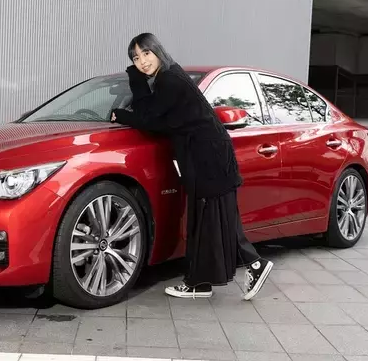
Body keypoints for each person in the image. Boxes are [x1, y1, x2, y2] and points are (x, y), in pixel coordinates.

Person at [110, 33, 273, 300]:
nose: (142, 62)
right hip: (207, 153)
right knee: (210, 217)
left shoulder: (169, 79)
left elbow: (148, 117)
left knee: (212, 217)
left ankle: (251, 265)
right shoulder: (170, 77)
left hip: (207, 156)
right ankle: (202, 282)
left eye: (146, 54)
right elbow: (161, 120)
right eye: (135, 59)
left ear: (158, 51)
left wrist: (132, 89)